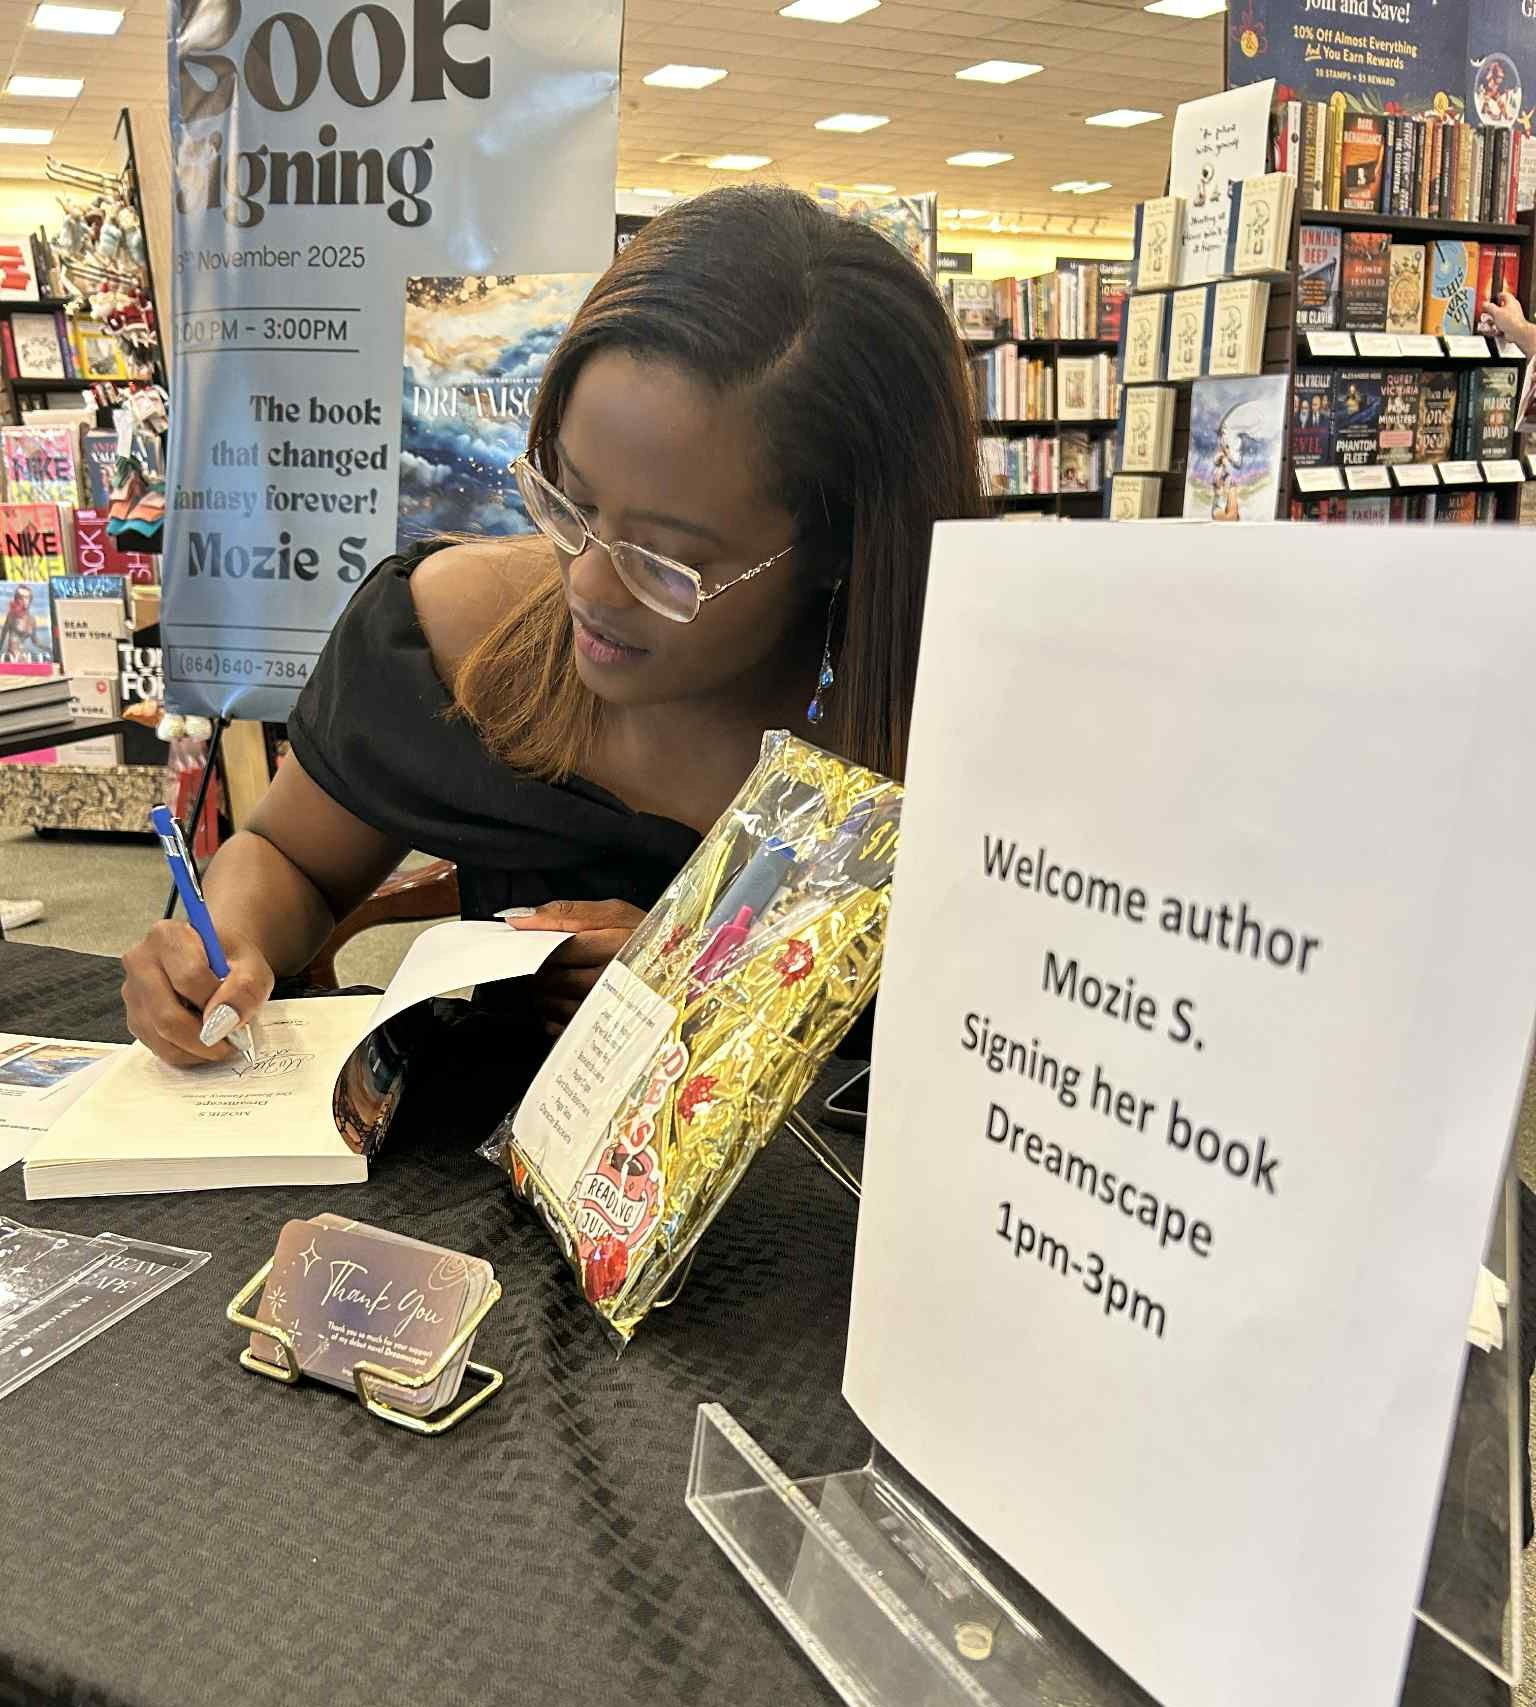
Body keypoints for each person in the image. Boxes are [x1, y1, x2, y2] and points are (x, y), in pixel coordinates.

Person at [121, 186, 983, 1077]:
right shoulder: (451, 635)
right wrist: (223, 940)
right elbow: (289, 857)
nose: (587, 581)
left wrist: (719, 983)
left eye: (668, 560)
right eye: (568, 499)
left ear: (839, 549)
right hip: (477, 1193)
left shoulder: (963, 736)